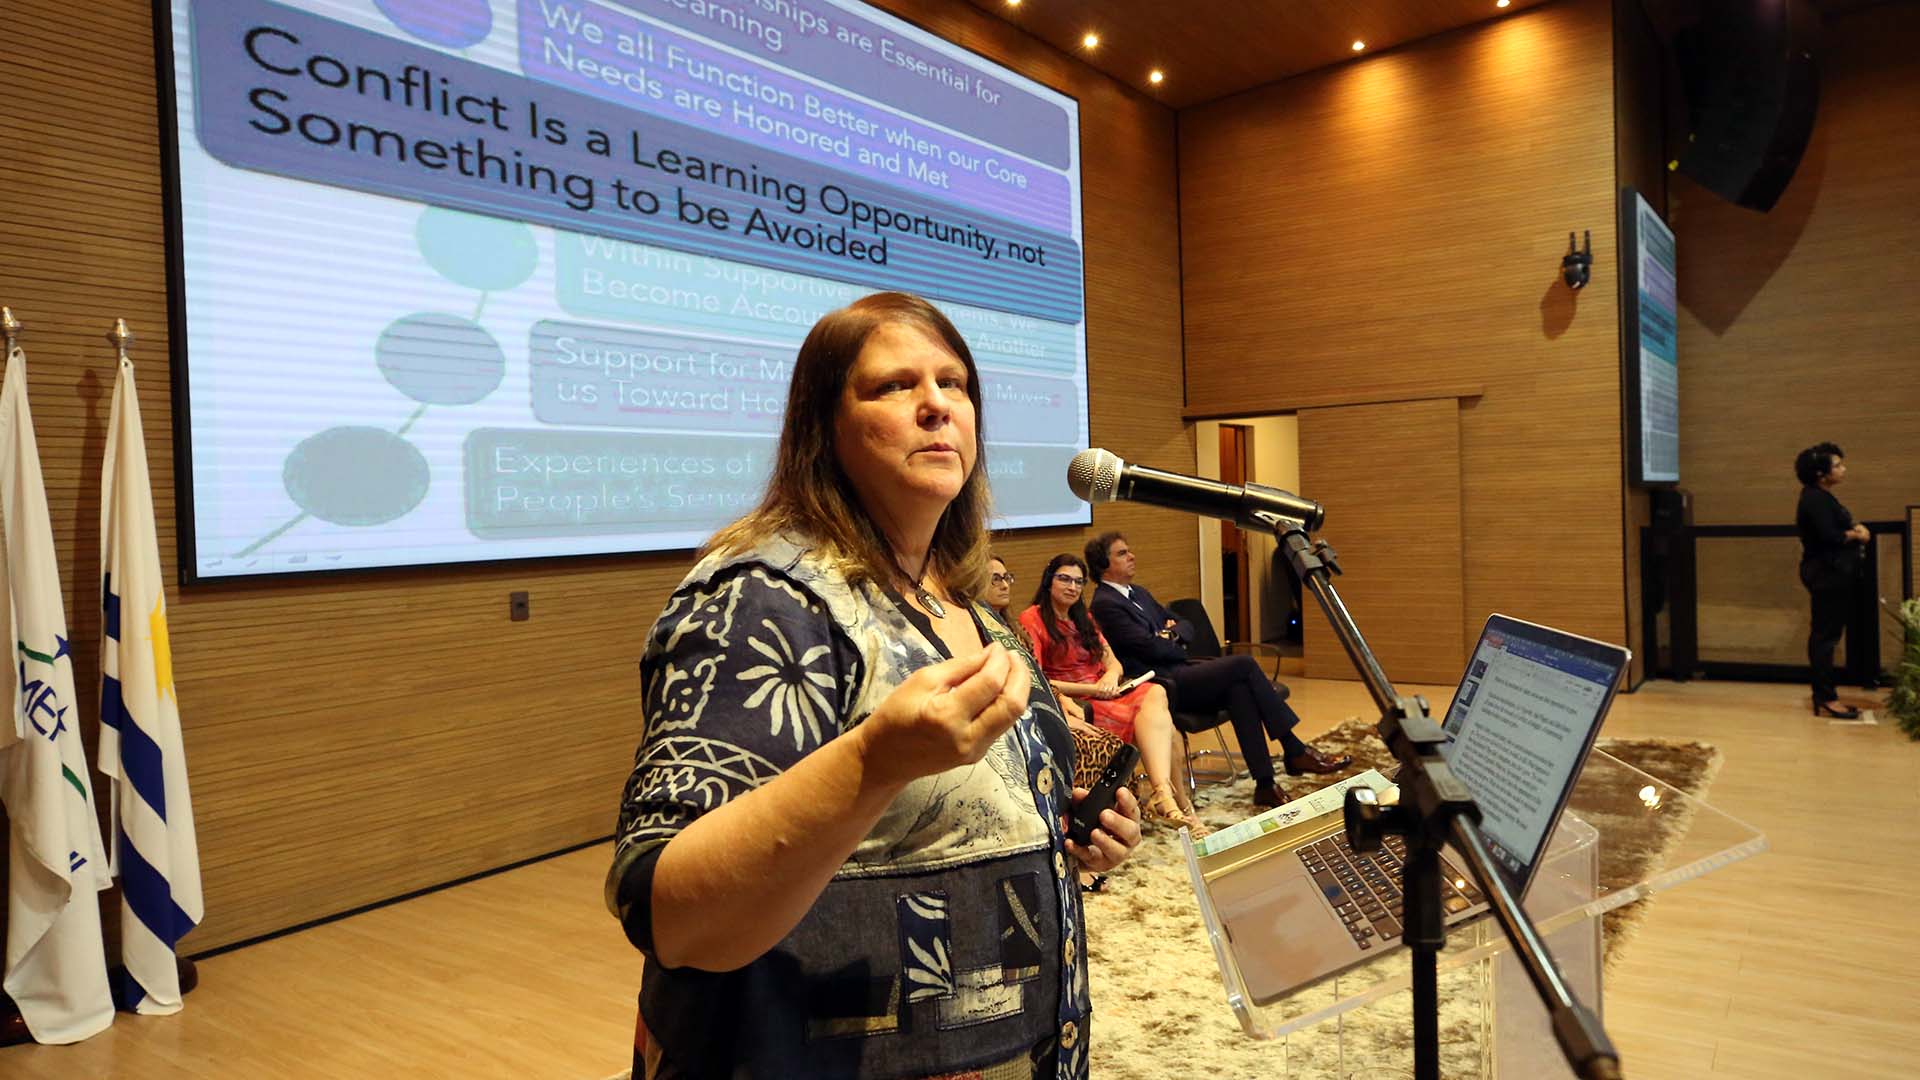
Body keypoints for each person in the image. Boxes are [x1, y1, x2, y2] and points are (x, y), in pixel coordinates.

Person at [606, 293, 1140, 1079]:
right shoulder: (763, 598)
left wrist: (1072, 840)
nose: (936, 406)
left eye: (954, 384)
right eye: (894, 386)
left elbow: (968, 825)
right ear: (824, 426)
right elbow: (671, 912)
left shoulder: (976, 617)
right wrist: (874, 761)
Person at [1084, 531, 1351, 808]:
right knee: (1244, 664)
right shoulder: (1106, 603)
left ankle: (1265, 785)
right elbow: (1152, 649)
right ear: (1104, 565)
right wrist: (1169, 638)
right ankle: (1294, 748)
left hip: (1181, 669)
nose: (1132, 556)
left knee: (1240, 691)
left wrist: (1170, 635)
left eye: (1129, 551)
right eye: (1122, 553)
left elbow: (1184, 624)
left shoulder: (1138, 593)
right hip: (1160, 684)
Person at [1018, 554, 1209, 837]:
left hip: (1106, 693)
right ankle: (1178, 806)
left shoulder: (1084, 618)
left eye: (1078, 582)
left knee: (1155, 691)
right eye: (1064, 579)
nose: (1072, 587)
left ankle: (1165, 798)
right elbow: (1039, 677)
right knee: (1168, 730)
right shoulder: (1032, 618)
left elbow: (1114, 663)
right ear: (1049, 581)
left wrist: (1109, 677)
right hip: (1079, 700)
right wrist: (1093, 689)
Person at [1795, 442, 1870, 719]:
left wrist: (1853, 529)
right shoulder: (1814, 498)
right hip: (1826, 574)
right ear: (1820, 473)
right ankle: (1826, 698)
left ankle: (1826, 695)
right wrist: (1856, 534)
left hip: (1832, 573)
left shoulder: (1822, 496)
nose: (1843, 469)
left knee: (1827, 635)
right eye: (1837, 465)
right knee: (1825, 637)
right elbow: (1829, 536)